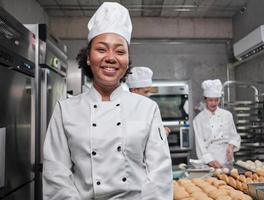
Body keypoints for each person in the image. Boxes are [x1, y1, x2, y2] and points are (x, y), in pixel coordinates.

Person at [42, 2, 173, 200]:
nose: (111, 58)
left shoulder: (147, 109)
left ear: (127, 61)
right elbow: (56, 174)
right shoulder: (65, 110)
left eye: (120, 52)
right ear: (88, 57)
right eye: (102, 49)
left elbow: (159, 174)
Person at [193, 79, 241, 168]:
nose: (214, 103)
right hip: (209, 159)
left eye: (216, 100)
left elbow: (234, 135)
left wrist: (231, 147)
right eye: (210, 100)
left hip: (227, 158)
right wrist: (211, 161)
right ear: (205, 100)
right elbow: (200, 144)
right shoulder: (198, 119)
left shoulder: (227, 115)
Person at [126, 66, 171, 135]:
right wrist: (162, 134)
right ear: (134, 90)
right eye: (146, 92)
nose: (148, 95)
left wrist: (161, 133)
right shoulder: (124, 109)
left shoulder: (147, 107)